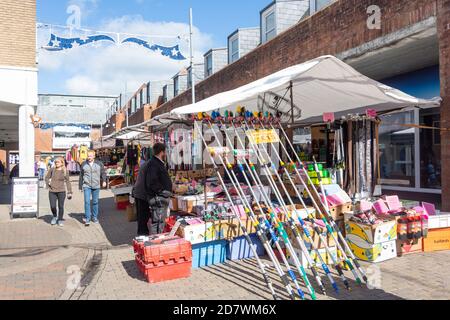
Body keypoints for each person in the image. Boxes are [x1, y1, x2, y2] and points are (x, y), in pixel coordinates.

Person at [133, 143, 172, 236]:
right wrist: (163, 192)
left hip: (143, 193)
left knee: (145, 218)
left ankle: (144, 236)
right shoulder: (153, 164)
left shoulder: (151, 162)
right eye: (165, 152)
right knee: (148, 219)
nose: (166, 154)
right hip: (143, 194)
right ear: (162, 152)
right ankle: (146, 238)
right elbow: (152, 182)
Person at [79, 150, 106, 227]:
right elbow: (81, 175)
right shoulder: (83, 164)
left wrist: (104, 181)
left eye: (90, 156)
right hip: (86, 185)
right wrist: (80, 186)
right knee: (87, 202)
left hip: (96, 185)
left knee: (95, 202)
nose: (89, 157)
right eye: (88, 156)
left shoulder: (99, 163)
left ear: (94, 156)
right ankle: (87, 218)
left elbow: (103, 173)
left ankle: (94, 217)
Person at [45, 157, 72, 227]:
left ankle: (60, 219)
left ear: (62, 163)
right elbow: (46, 177)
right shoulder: (52, 169)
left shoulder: (65, 171)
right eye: (56, 162)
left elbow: (68, 181)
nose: (56, 163)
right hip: (52, 191)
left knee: (61, 206)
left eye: (58, 162)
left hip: (61, 191)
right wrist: (48, 183)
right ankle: (54, 216)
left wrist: (69, 191)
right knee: (53, 206)